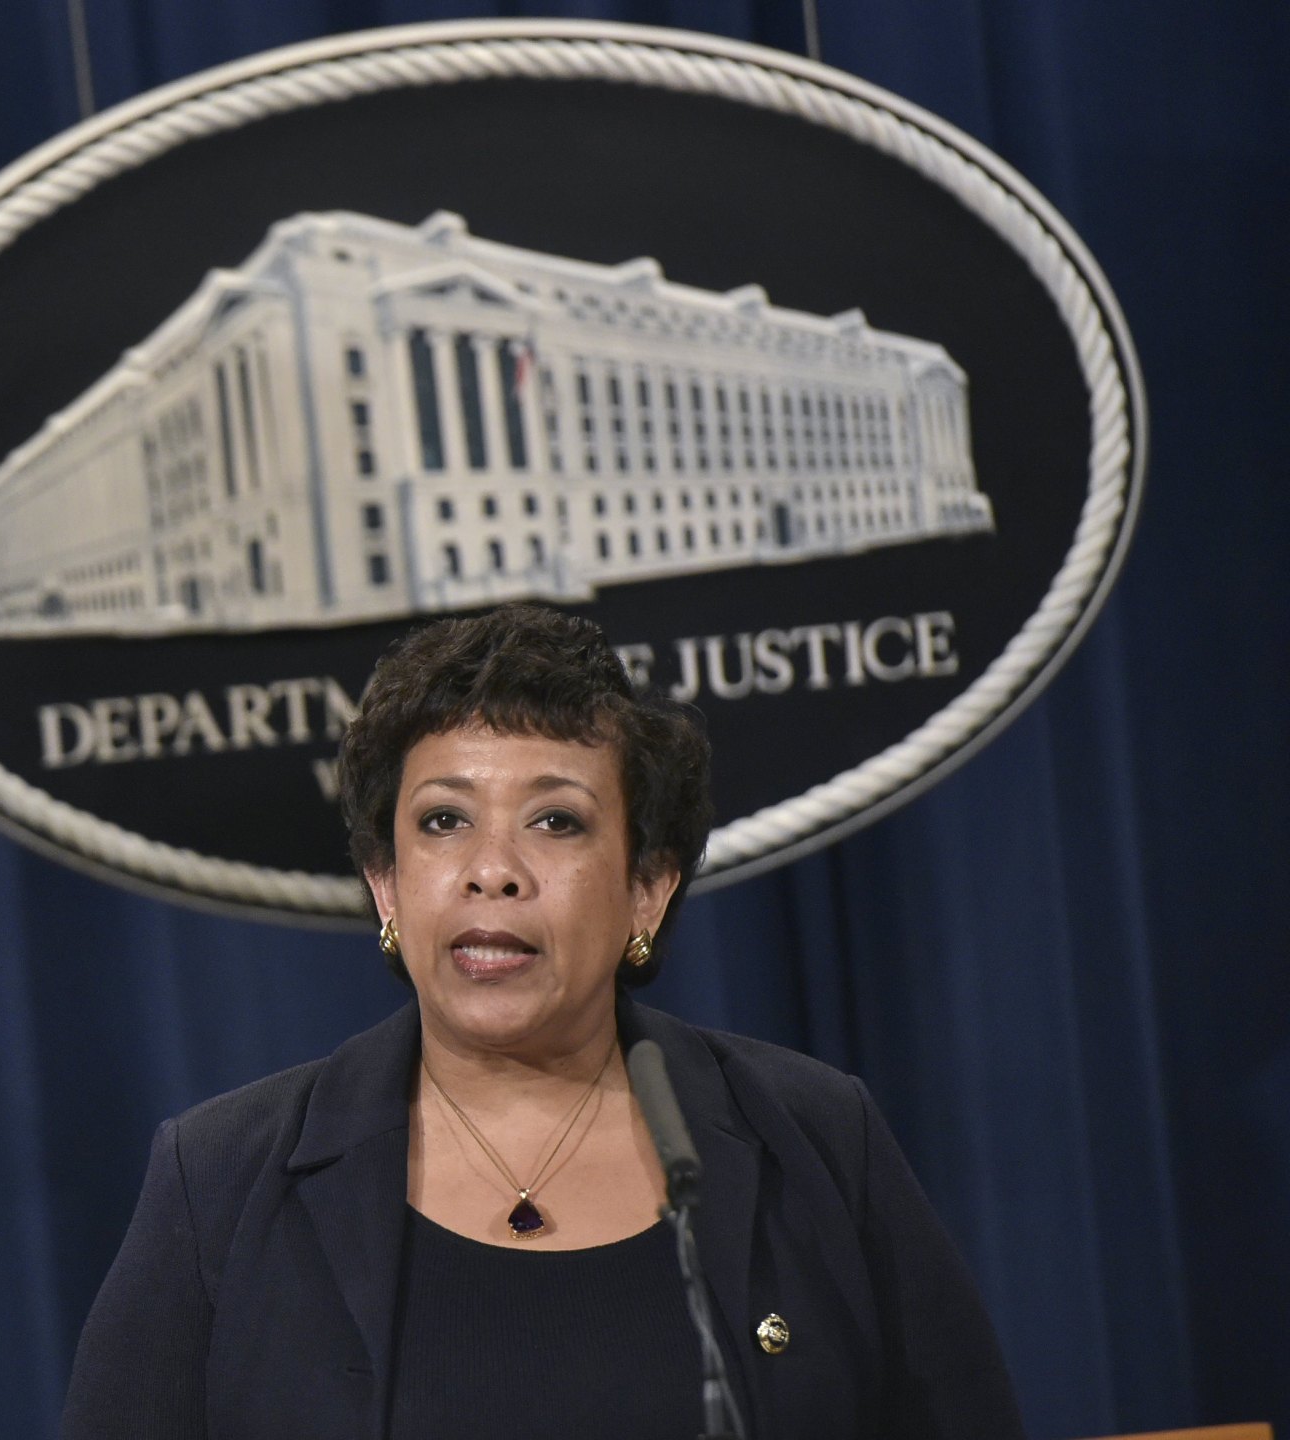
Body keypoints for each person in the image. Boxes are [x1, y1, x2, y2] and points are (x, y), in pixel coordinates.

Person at [61, 603, 1022, 1440]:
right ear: (386, 884)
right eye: (444, 821)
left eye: (555, 821)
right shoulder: (223, 1179)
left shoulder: (815, 1139)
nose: (493, 868)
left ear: (647, 889)